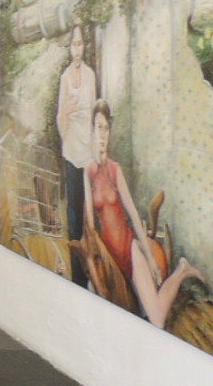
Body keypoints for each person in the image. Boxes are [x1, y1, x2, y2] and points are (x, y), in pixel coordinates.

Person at [83, 100, 202, 328]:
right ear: (92, 130)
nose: (103, 134)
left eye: (106, 128)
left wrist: (149, 257)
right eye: (99, 127)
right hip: (109, 254)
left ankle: (181, 271)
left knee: (156, 320)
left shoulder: (115, 169)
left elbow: (134, 215)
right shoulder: (88, 171)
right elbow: (90, 224)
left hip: (129, 249)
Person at [56, 23, 95, 288]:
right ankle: (77, 275)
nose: (77, 49)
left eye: (80, 44)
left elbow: (92, 113)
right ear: (69, 48)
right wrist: (67, 114)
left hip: (87, 149)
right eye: (74, 44)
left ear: (85, 46)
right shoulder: (65, 78)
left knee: (89, 210)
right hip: (71, 148)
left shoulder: (90, 76)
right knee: (73, 210)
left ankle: (92, 268)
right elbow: (61, 117)